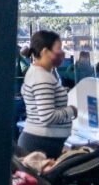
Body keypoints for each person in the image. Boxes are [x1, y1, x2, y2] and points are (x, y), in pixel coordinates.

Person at [18, 30, 77, 159]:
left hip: (41, 143)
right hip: (40, 145)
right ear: (45, 51)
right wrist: (71, 111)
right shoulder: (42, 77)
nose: (62, 53)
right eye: (58, 49)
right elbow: (47, 116)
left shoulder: (40, 73)